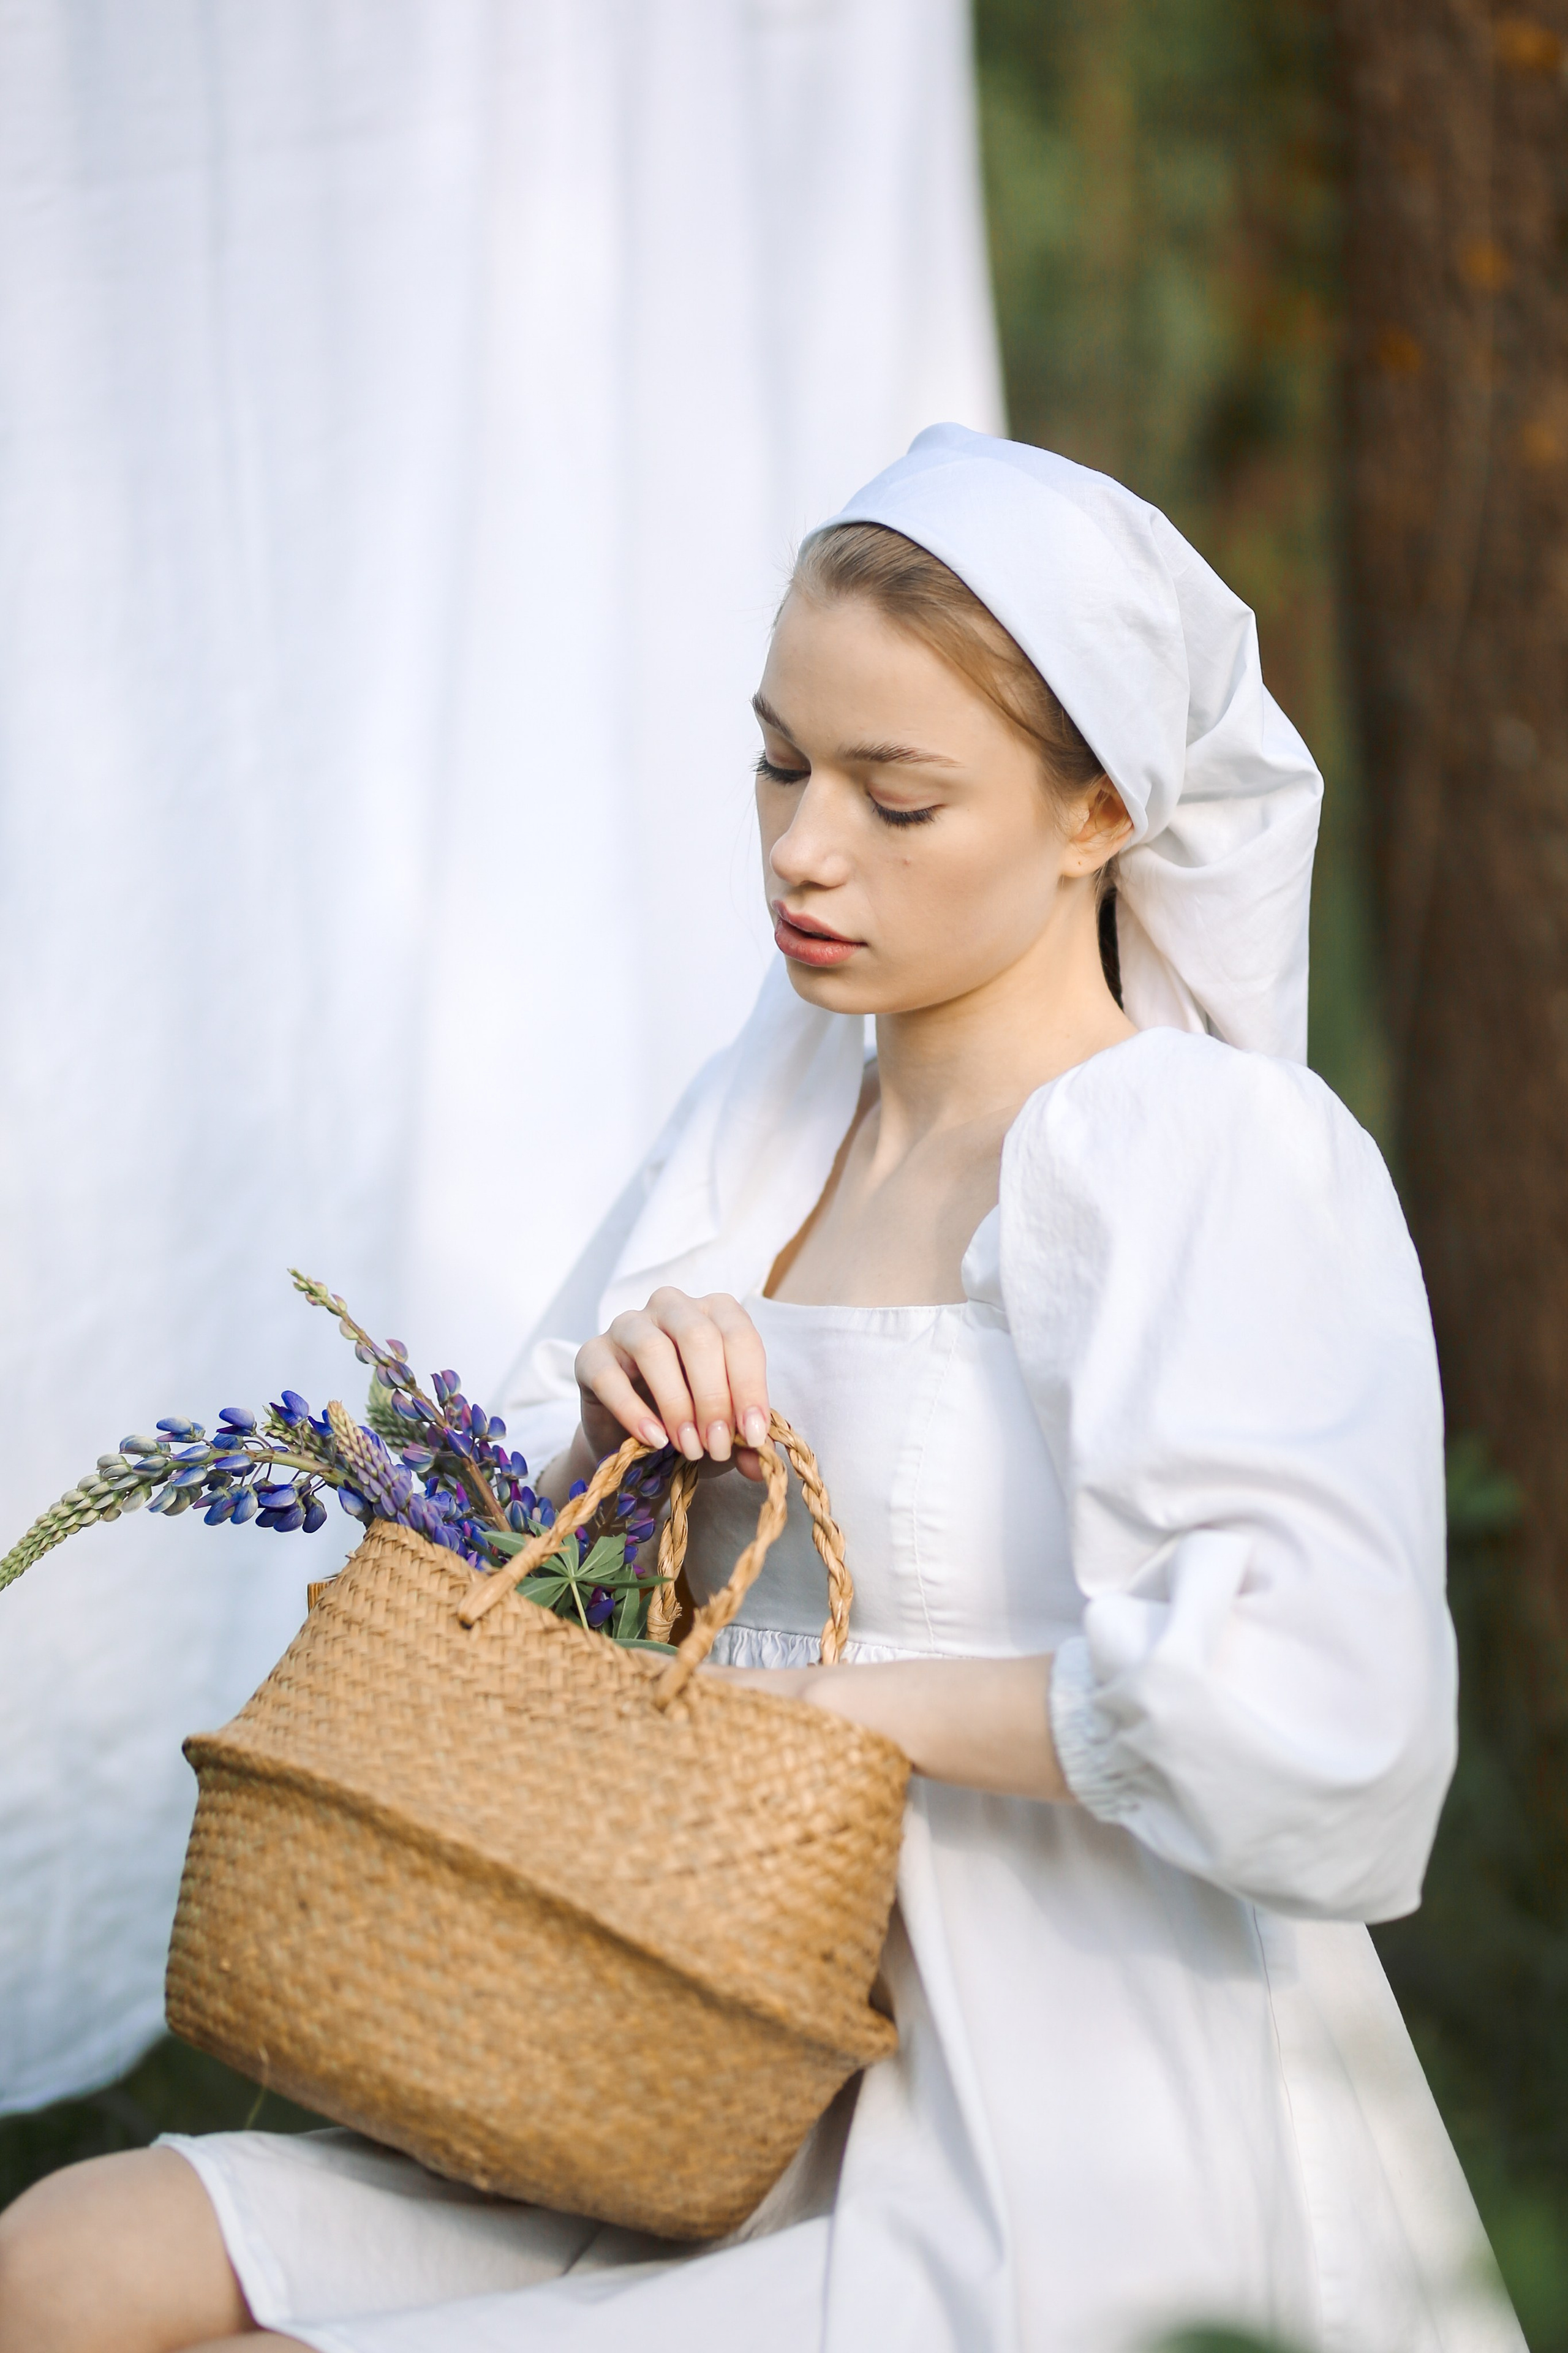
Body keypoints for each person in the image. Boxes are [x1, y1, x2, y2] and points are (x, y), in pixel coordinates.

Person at [0, 427, 1523, 2353]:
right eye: (782, 763)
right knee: (70, 2260)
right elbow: (553, 1583)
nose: (808, 848)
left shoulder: (1204, 1154)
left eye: (900, 799)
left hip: (1060, 2101)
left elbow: (1331, 1709)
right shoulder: (777, 1112)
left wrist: (834, 1717)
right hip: (663, 2026)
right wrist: (614, 1431)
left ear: (1096, 817)